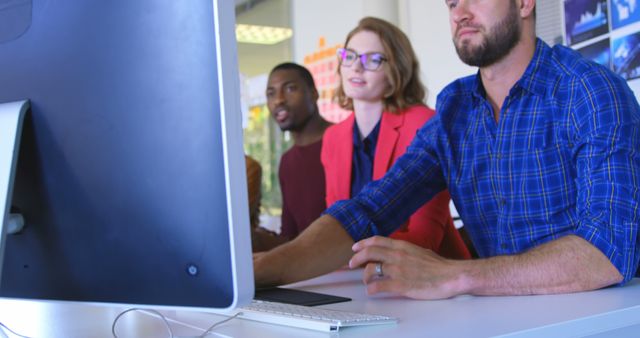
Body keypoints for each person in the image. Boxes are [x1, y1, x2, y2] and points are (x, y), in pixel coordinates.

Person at [254, 0, 640, 300]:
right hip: (502, 318)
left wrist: (455, 275)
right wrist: (259, 271)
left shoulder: (589, 90)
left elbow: (607, 253)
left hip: (598, 318)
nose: (461, 13)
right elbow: (367, 211)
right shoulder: (455, 108)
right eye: (452, 3)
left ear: (524, 3)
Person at [322, 17, 469, 258]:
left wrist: (342, 245)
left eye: (373, 60)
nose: (356, 67)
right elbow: (334, 223)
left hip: (433, 278)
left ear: (397, 69)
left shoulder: (424, 123)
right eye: (349, 56)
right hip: (357, 275)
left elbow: (424, 239)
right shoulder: (333, 137)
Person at [251, 62, 331, 251]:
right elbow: (292, 236)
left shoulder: (345, 141)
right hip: (310, 273)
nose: (278, 100)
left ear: (314, 93)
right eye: (271, 94)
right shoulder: (287, 162)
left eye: (290, 89)